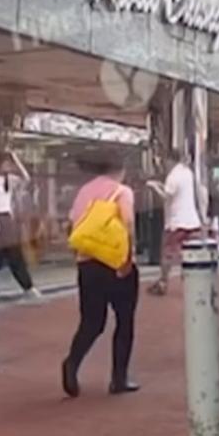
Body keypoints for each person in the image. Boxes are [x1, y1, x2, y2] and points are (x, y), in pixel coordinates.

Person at [62, 151, 139, 397]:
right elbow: (127, 224)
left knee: (92, 321)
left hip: (87, 263)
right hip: (115, 263)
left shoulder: (84, 191)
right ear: (121, 169)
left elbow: (72, 224)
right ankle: (119, 379)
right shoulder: (122, 191)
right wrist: (127, 260)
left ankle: (72, 363)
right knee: (124, 320)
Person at [148, 148, 202, 297]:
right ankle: (192, 282)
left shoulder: (173, 176)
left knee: (167, 253)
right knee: (189, 253)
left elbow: (167, 195)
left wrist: (154, 187)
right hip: (192, 220)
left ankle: (163, 282)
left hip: (176, 221)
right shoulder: (187, 173)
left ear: (169, 160)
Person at [0, 150, 40, 299]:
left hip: (7, 219)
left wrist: (16, 159)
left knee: (7, 254)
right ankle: (27, 286)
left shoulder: (10, 179)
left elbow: (26, 178)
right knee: (0, 255)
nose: (8, 166)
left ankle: (27, 286)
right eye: (6, 163)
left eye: (9, 164)